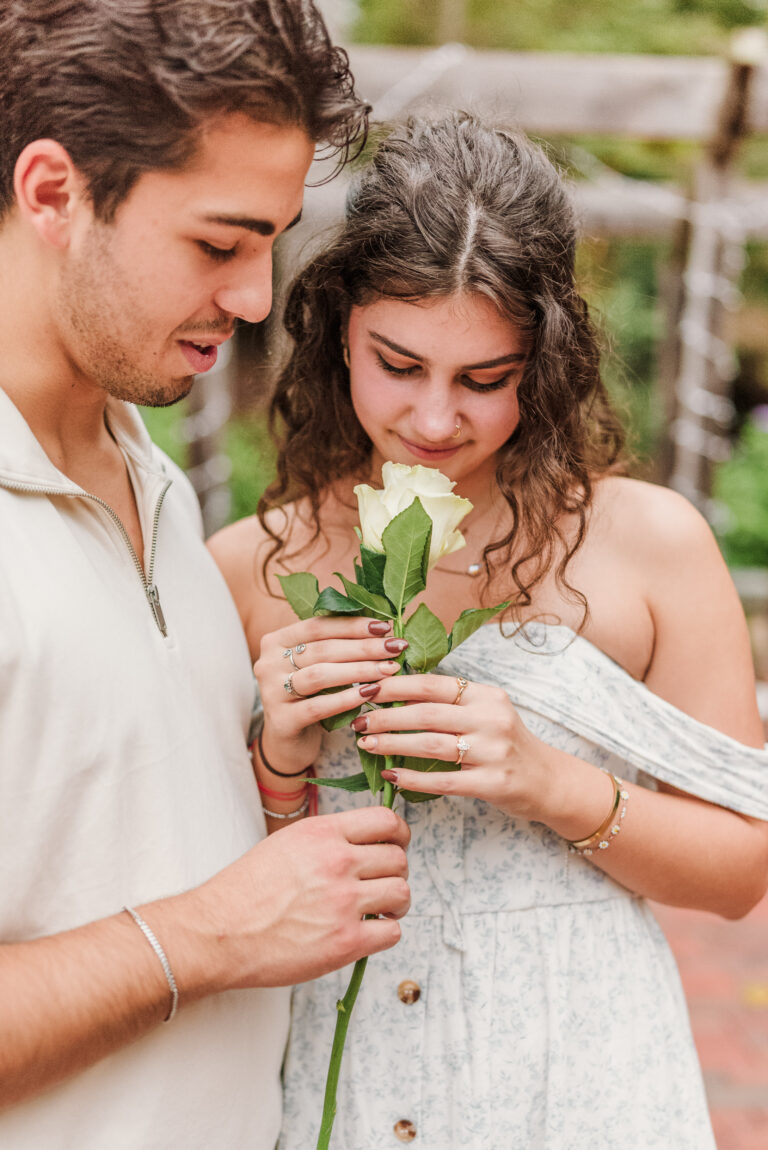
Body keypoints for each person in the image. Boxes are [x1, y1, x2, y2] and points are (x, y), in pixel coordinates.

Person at [209, 111, 768, 1149]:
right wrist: (280, 760)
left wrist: (548, 781)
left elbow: (741, 872)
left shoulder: (650, 545)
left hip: (587, 1086)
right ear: (337, 331)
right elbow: (212, 882)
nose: (432, 419)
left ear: (547, 361)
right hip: (341, 1077)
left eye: (484, 380)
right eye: (399, 363)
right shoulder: (252, 562)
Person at [0, 3, 413, 1147]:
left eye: (271, 242)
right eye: (219, 244)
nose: (251, 297)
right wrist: (214, 933)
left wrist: (275, 769)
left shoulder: (157, 484)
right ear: (52, 193)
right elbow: (211, 923)